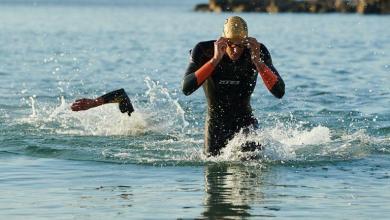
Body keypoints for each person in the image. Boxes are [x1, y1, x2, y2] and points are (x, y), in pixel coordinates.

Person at [182, 16, 285, 156]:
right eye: (231, 44)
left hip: (245, 123)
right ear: (223, 40)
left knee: (252, 165)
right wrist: (215, 60)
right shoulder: (204, 50)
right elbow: (186, 88)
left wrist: (258, 63)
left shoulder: (256, 51)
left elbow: (279, 92)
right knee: (212, 167)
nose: (236, 50)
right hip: (215, 123)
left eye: (241, 45)